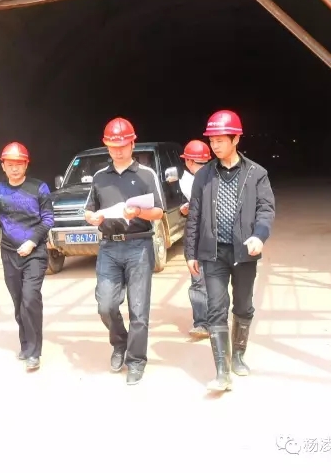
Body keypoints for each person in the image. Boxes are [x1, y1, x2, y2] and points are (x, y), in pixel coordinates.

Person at [184, 110, 275, 392]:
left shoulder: (256, 174)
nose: (215, 146)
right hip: (213, 253)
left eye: (221, 140)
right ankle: (222, 371)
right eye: (212, 141)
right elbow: (194, 215)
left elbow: (266, 209)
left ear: (236, 139)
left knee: (243, 305)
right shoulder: (204, 176)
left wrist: (259, 235)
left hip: (244, 253)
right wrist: (190, 252)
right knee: (216, 308)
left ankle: (237, 356)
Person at [84, 117, 165, 385]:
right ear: (106, 145)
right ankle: (120, 343)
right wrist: (91, 217)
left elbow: (159, 212)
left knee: (139, 309)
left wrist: (138, 211)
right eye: (112, 146)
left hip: (138, 245)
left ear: (132, 144)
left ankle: (136, 361)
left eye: (122, 145)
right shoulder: (100, 177)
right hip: (109, 246)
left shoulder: (146, 174)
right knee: (106, 306)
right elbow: (89, 210)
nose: (118, 151)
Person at [0, 142, 54, 371]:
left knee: (30, 298)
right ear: (3, 166)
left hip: (35, 253)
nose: (14, 168)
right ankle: (25, 344)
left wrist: (32, 241)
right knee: (18, 301)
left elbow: (48, 219)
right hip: (9, 253)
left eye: (19, 164)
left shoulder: (39, 188)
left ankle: (34, 352)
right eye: (10, 164)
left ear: (26, 164)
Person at [179, 139, 212, 339]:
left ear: (189, 161)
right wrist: (188, 209)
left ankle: (204, 323)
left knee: (200, 280)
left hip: (203, 238)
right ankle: (206, 323)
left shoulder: (204, 180)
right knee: (211, 280)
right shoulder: (219, 176)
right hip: (213, 239)